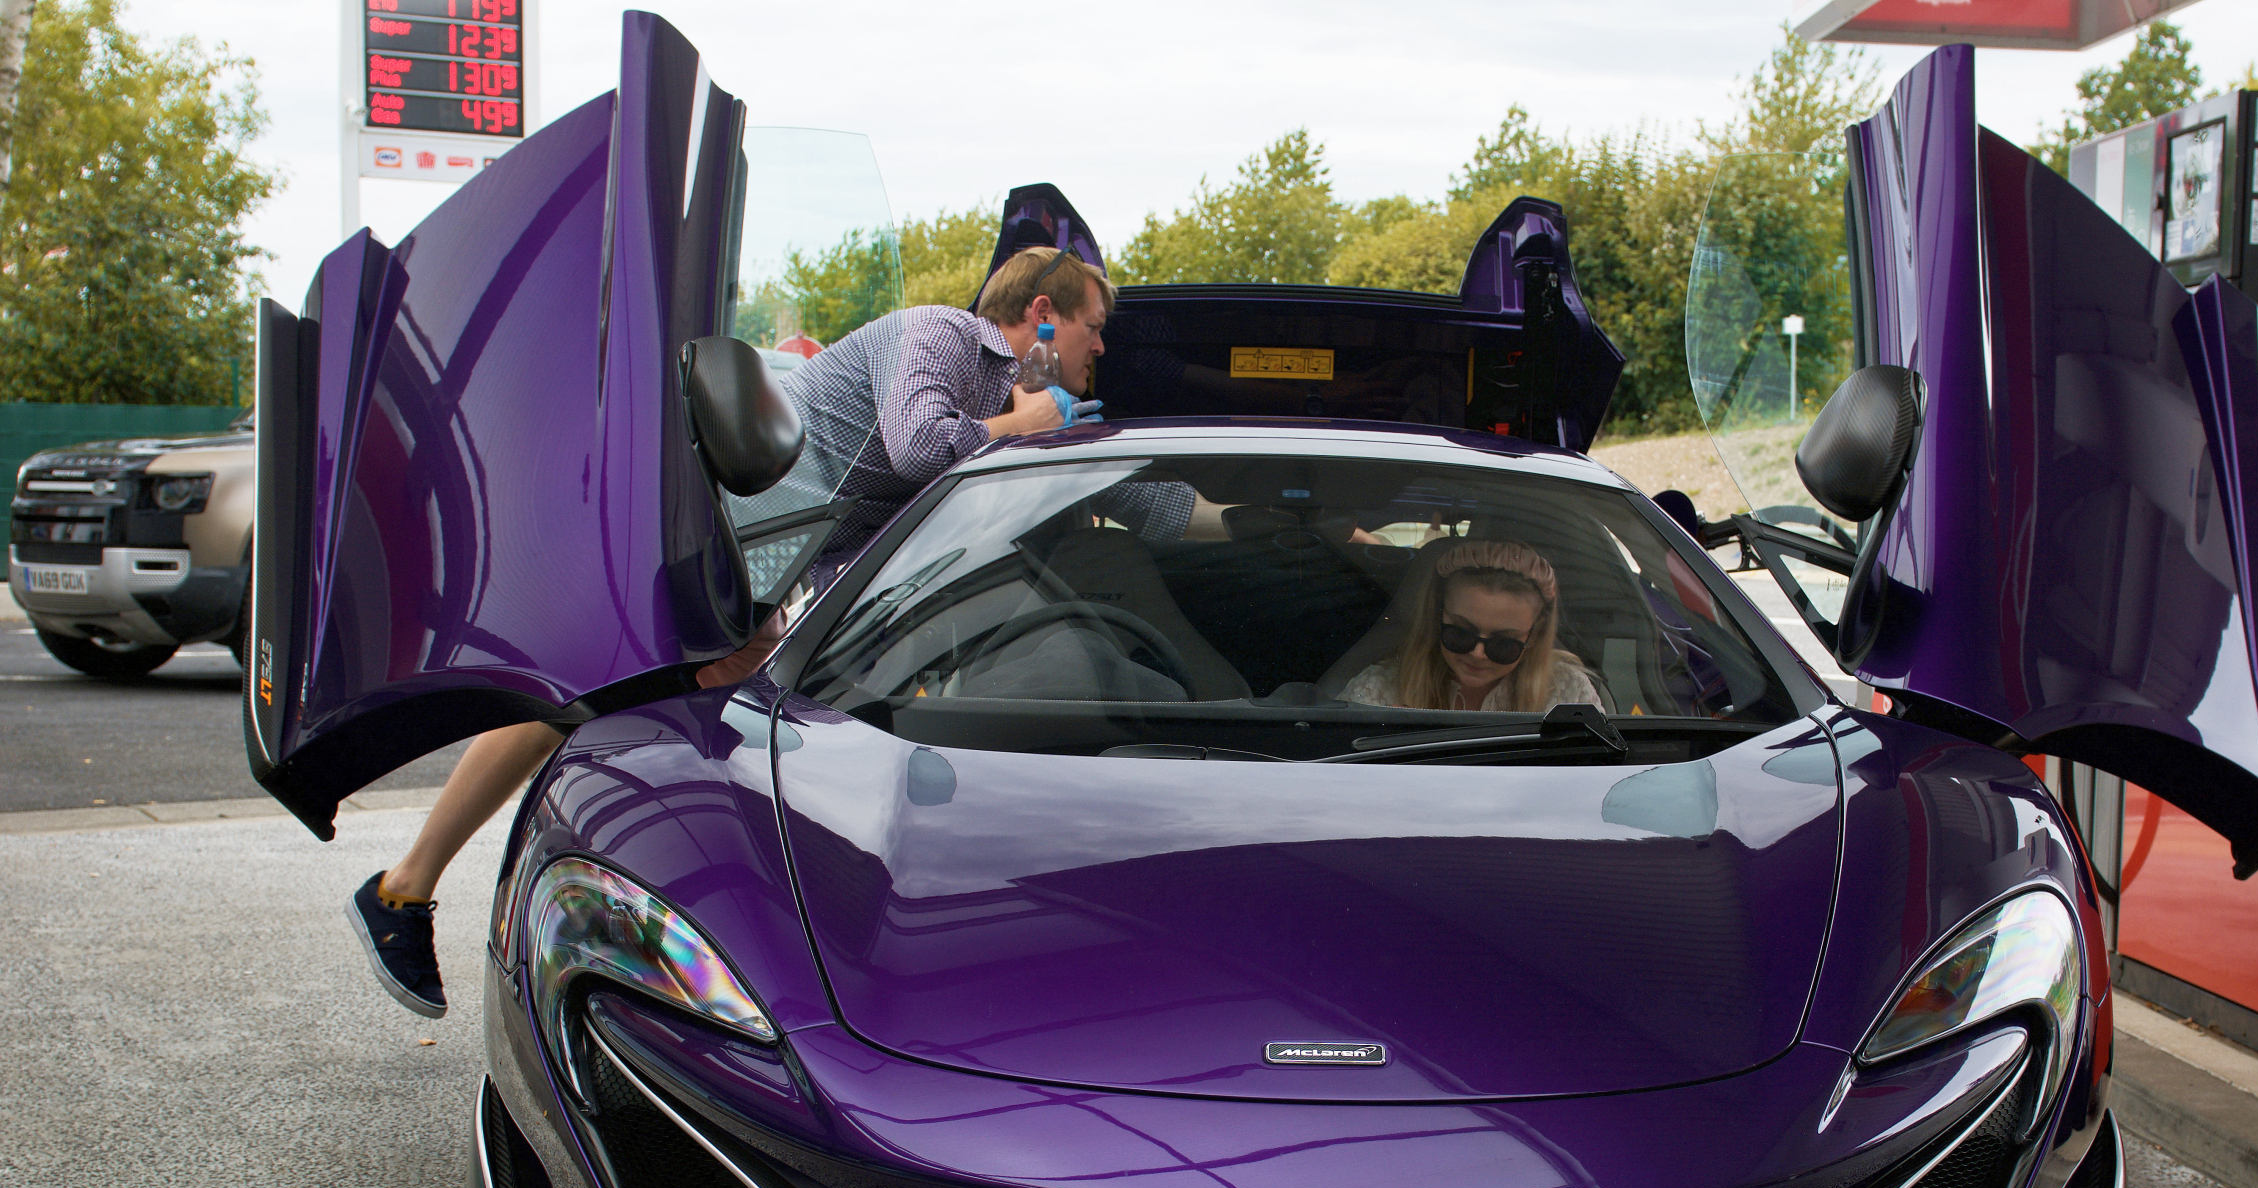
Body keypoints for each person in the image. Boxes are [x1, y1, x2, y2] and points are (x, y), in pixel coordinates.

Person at [347, 246, 1151, 1017]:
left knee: (618, 715)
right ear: (1042, 314)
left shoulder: (999, 398)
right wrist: (1022, 425)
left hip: (754, 575)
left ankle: (444, 897)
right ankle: (415, 894)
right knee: (595, 711)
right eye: (1093, 323)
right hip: (703, 539)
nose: (1104, 343)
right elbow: (912, 446)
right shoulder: (940, 333)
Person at [1337, 541, 1603, 713]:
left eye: (1503, 644)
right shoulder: (1379, 690)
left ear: (1534, 636)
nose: (1477, 653)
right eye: (1460, 634)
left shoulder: (1568, 693)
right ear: (1438, 616)